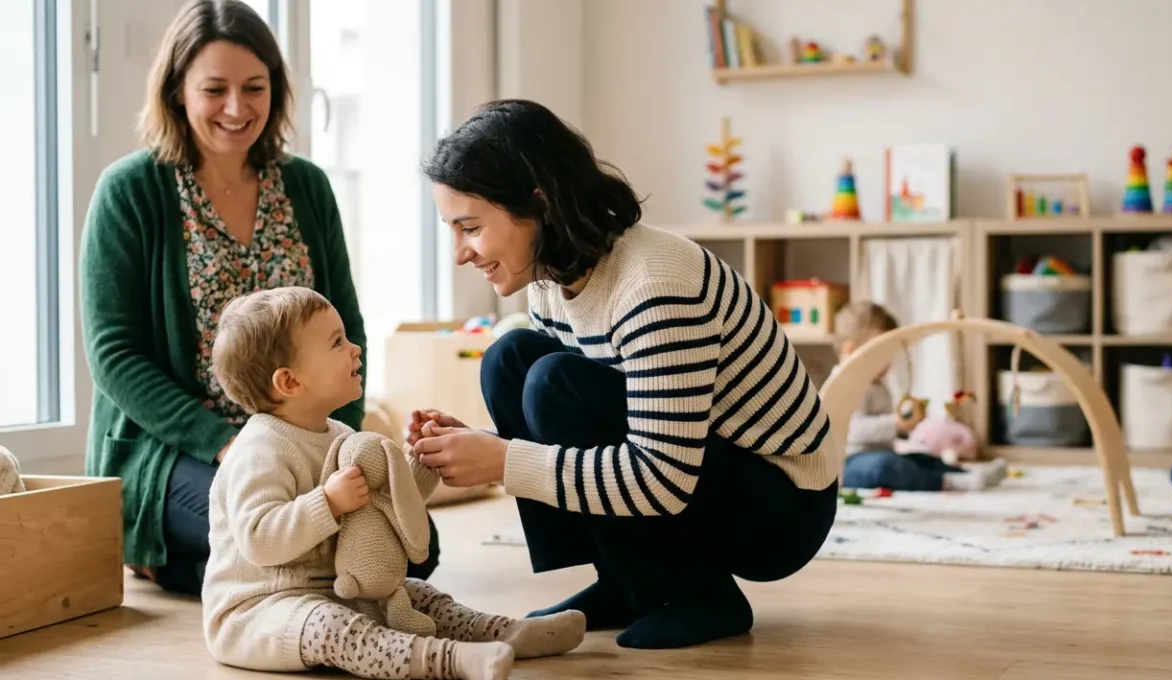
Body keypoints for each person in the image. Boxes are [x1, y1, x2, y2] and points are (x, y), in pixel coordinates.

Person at [405, 99, 840, 650]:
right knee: (510, 358)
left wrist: (504, 461)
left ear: (537, 203)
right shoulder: (550, 285)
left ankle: (699, 596)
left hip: (781, 505)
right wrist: (472, 447)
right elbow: (590, 426)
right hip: (698, 470)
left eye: (470, 228)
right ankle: (627, 581)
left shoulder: (655, 284)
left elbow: (663, 474)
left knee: (551, 382)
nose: (460, 253)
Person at [78, 0, 438, 596]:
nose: (237, 108)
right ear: (176, 92)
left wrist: (340, 445)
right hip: (178, 448)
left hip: (305, 441)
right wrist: (225, 445)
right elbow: (114, 354)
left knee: (418, 548)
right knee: (264, 536)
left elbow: (347, 328)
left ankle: (266, 578)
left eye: (254, 87)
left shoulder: (307, 187)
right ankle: (171, 554)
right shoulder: (130, 190)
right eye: (214, 89)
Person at [202, 287, 584, 680]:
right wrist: (328, 503)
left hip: (336, 590)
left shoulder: (338, 433)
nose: (355, 349)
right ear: (290, 382)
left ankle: (506, 633)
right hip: (260, 612)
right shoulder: (258, 450)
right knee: (331, 626)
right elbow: (259, 540)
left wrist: (419, 460)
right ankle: (446, 661)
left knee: (418, 595)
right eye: (337, 343)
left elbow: (388, 506)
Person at [832, 302, 1007, 491]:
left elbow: (884, 428)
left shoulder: (877, 385)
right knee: (887, 466)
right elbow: (852, 429)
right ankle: (949, 482)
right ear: (850, 351)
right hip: (846, 464)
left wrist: (906, 425)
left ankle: (967, 474)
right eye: (882, 354)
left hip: (881, 453)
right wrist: (895, 424)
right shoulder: (842, 385)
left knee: (922, 459)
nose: (889, 362)